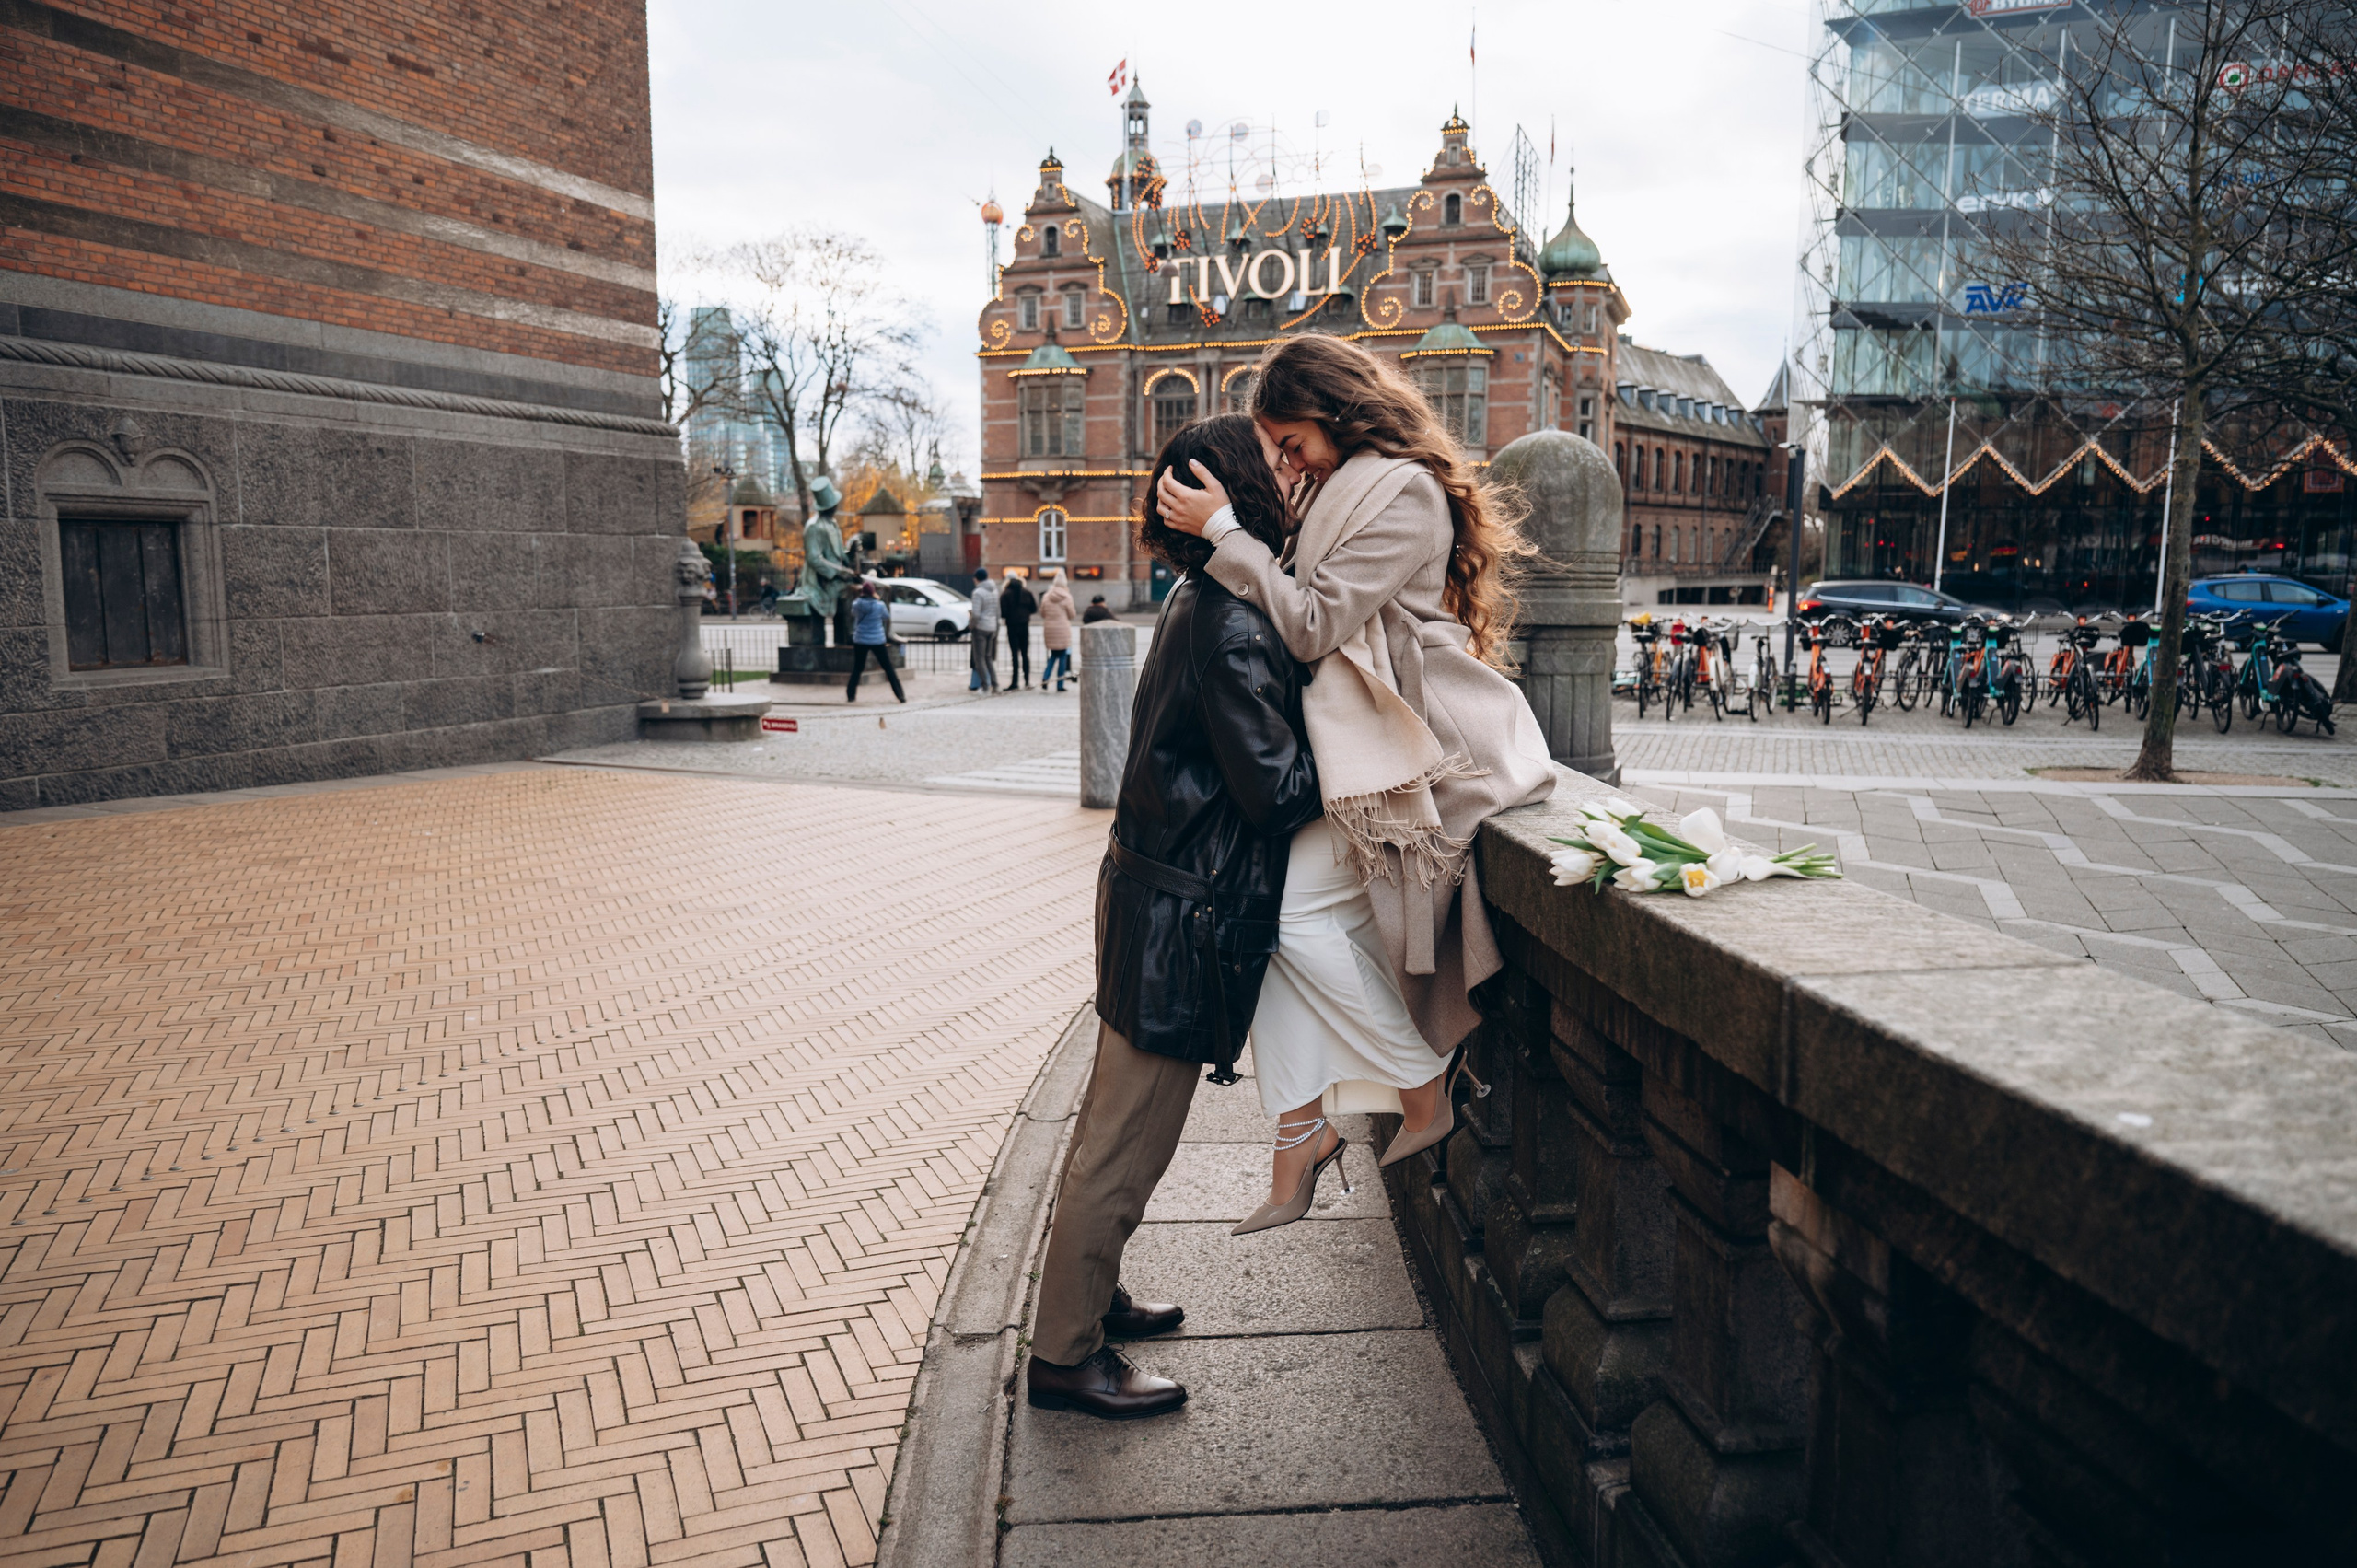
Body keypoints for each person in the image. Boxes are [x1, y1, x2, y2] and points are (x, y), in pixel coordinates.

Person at [1155, 332, 1556, 1219]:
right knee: (1278, 922)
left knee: (1290, 916)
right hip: (1360, 746)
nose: (1289, 463)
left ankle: (1418, 1088)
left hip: (1423, 747)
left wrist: (1226, 531)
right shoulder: (1342, 490)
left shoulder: (1405, 493)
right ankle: (1299, 1140)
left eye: (1292, 442)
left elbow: (1312, 625)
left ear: (1336, 412)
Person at [1026, 414, 1320, 1421]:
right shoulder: (1234, 620)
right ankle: (1067, 1354)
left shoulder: (1200, 600)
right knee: (1125, 1142)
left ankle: (1090, 1294)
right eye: (1279, 463)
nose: (1295, 474)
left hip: (1152, 899)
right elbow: (1277, 790)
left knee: (1111, 1129)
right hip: (1180, 920)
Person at [843, 581, 905, 703]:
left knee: (858, 668)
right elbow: (886, 617)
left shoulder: (857, 604)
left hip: (860, 639)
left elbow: (853, 614)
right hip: (877, 639)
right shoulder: (880, 605)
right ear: (873, 592)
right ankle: (900, 694)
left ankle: (851, 694)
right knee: (888, 668)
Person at [1039, 568, 1076, 691]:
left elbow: (1043, 613)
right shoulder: (1067, 597)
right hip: (1062, 629)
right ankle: (1060, 684)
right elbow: (1072, 614)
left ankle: (1045, 678)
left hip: (1049, 628)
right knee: (1062, 657)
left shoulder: (1046, 596)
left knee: (1053, 655)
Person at [1000, 569, 1038, 689]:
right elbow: (1034, 609)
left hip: (1012, 627)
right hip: (1024, 626)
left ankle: (1015, 682)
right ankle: (1027, 680)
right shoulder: (1027, 592)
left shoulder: (1005, 594)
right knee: (1025, 654)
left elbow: (1003, 613)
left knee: (1014, 655)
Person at [969, 568, 1001, 691]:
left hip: (981, 628)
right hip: (992, 627)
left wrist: (971, 626)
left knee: (979, 659)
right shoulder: (994, 591)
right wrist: (997, 628)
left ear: (977, 578)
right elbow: (998, 612)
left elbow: (976, 614)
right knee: (988, 657)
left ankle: (985, 685)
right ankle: (995, 684)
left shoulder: (978, 592)